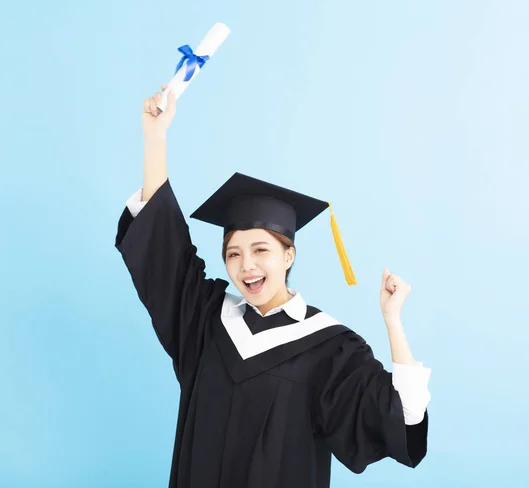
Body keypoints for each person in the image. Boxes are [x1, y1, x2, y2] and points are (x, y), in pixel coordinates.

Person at [114, 85, 432, 488]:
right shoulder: (206, 318)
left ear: (288, 255)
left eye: (260, 249)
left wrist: (393, 322)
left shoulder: (330, 348)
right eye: (233, 254)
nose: (246, 266)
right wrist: (155, 139)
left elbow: (400, 419)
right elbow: (165, 249)